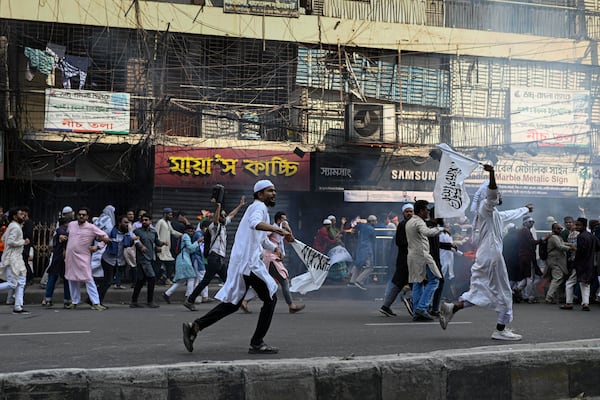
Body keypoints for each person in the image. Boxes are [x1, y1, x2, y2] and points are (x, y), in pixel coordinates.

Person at [182, 179, 294, 354]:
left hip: (245, 263)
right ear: (259, 194)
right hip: (249, 263)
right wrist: (280, 231)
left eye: (274, 191)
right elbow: (254, 224)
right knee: (270, 299)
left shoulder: (257, 209)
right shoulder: (259, 207)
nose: (274, 194)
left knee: (233, 304)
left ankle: (195, 326)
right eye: (270, 191)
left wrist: (275, 247)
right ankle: (257, 343)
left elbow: (261, 238)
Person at [439, 164, 531, 341]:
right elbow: (492, 195)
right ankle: (500, 329)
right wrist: (492, 175)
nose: (499, 196)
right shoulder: (485, 208)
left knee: (481, 291)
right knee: (504, 294)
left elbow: (510, 214)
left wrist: (525, 209)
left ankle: (453, 308)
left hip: (486, 258)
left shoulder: (493, 214)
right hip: (492, 258)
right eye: (498, 194)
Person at [183, 196, 246, 310]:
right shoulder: (213, 227)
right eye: (222, 215)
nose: (224, 216)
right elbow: (216, 219)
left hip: (220, 258)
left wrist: (240, 205)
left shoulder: (223, 225)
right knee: (207, 281)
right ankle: (190, 300)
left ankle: (234, 301)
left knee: (227, 281)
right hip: (214, 258)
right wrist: (218, 206)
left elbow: (231, 215)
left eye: (224, 215)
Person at [64, 207, 111, 310]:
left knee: (88, 279)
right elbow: (68, 236)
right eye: (79, 214)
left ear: (87, 217)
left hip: (83, 257)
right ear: (77, 215)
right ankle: (75, 301)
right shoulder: (71, 225)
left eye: (83, 215)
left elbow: (105, 237)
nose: (81, 216)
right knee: (72, 279)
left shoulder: (92, 227)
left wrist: (97, 247)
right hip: (70, 256)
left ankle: (95, 303)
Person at [406, 200, 444, 321]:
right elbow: (428, 232)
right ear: (421, 210)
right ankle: (421, 308)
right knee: (434, 281)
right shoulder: (419, 222)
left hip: (413, 255)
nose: (428, 212)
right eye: (426, 209)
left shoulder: (410, 221)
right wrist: (441, 229)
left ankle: (417, 312)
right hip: (422, 255)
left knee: (418, 282)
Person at [264, 211, 304, 313]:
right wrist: (274, 248)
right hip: (271, 258)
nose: (285, 221)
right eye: (283, 219)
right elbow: (262, 238)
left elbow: (291, 239)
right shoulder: (272, 228)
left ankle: (245, 301)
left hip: (275, 259)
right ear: (278, 220)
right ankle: (291, 305)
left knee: (266, 282)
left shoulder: (281, 231)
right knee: (284, 281)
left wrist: (288, 228)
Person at [379, 203, 414, 317]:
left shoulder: (413, 224)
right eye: (407, 211)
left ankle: (386, 306)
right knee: (413, 282)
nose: (409, 213)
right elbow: (400, 242)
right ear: (403, 213)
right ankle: (413, 303)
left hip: (408, 258)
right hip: (405, 259)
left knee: (398, 284)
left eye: (411, 211)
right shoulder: (402, 225)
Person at [131, 213, 169, 308]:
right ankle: (150, 301)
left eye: (146, 220)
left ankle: (134, 301)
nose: (144, 222)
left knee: (141, 280)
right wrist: (140, 246)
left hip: (150, 258)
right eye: (143, 220)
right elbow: (134, 241)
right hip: (142, 259)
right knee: (151, 278)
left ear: (150, 221)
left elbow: (157, 242)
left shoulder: (153, 232)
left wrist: (163, 243)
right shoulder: (137, 231)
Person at [561, 218, 598, 311]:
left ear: (584, 226)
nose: (576, 227)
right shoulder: (591, 236)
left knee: (569, 282)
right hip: (589, 263)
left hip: (579, 264)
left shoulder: (581, 237)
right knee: (585, 284)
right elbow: (598, 246)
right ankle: (585, 303)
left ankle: (569, 303)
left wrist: (574, 248)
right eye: (576, 225)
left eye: (578, 225)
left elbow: (581, 251)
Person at [98, 215, 135, 304]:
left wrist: (135, 242)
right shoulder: (110, 231)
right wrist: (104, 239)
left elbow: (134, 239)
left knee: (107, 282)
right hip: (108, 260)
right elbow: (98, 236)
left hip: (118, 261)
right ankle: (96, 300)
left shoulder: (128, 233)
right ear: (119, 223)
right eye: (125, 222)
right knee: (108, 281)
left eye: (128, 223)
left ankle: (94, 299)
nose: (127, 224)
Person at [0, 207, 30, 314]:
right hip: (12, 258)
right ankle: (18, 306)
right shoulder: (15, 227)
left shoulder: (13, 226)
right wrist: (23, 242)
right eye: (20, 214)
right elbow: (9, 241)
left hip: (16, 257)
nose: (23, 216)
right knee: (13, 283)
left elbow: (3, 238)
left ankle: (18, 306)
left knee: (21, 281)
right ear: (15, 217)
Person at [163, 224, 203, 304]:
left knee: (182, 280)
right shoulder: (186, 236)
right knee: (191, 277)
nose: (192, 232)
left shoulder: (185, 236)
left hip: (183, 258)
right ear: (186, 231)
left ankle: (167, 293)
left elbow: (190, 249)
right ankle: (188, 297)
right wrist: (197, 242)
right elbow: (190, 248)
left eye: (193, 231)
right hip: (184, 259)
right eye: (190, 231)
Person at [41, 217, 72, 308]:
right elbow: (63, 234)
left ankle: (48, 299)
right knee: (66, 279)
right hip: (62, 258)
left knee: (53, 278)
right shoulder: (62, 231)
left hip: (57, 258)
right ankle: (66, 301)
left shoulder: (58, 232)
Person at [544, 222, 574, 304]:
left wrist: (571, 244)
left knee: (559, 278)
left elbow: (562, 243)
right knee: (557, 278)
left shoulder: (557, 237)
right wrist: (571, 248)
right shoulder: (554, 237)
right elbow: (560, 246)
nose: (560, 230)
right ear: (553, 229)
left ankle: (557, 296)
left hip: (557, 261)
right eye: (558, 228)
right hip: (555, 261)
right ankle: (549, 297)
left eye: (561, 228)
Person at [347, 215, 378, 290]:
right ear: (372, 221)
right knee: (370, 267)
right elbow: (374, 240)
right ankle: (359, 281)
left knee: (358, 265)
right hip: (367, 249)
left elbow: (355, 225)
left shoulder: (362, 226)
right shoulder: (371, 229)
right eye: (375, 221)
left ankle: (352, 281)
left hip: (360, 248)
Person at [155, 207, 182, 285]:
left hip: (167, 249)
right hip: (161, 247)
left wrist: (182, 235)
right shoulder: (160, 222)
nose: (171, 216)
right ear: (165, 214)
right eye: (169, 215)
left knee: (170, 263)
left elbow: (172, 232)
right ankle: (157, 280)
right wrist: (158, 245)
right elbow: (156, 234)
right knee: (158, 265)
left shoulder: (168, 223)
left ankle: (166, 278)